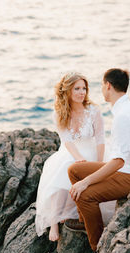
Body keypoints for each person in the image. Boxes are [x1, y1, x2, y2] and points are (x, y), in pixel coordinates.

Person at [65, 68, 130, 253]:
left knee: (85, 194)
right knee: (74, 170)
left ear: (108, 86)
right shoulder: (128, 109)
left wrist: (87, 182)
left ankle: (98, 248)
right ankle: (87, 222)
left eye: (101, 85)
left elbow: (118, 161)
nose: (101, 89)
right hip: (129, 169)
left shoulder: (124, 115)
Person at [35, 72, 106, 242]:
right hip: (71, 151)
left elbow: (101, 139)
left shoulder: (94, 110)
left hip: (93, 151)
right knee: (64, 168)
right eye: (77, 89)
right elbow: (66, 141)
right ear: (67, 91)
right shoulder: (59, 113)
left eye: (84, 88)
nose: (82, 92)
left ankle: (73, 213)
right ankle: (54, 222)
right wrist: (78, 159)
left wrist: (98, 163)